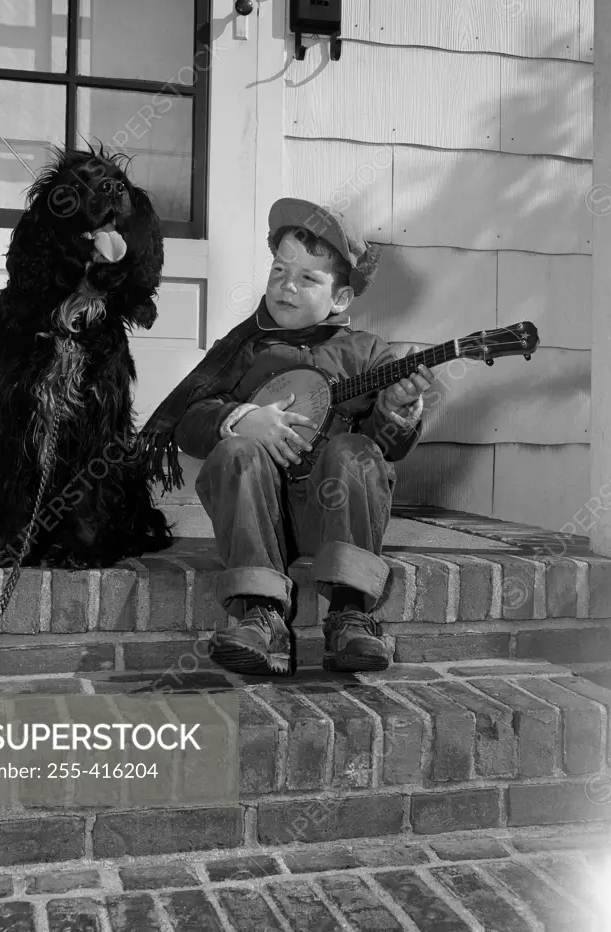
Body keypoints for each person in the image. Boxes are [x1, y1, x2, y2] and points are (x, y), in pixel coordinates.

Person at [141, 197, 433, 676]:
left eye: (307, 279)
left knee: (356, 452)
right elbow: (188, 421)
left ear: (340, 298)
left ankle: (349, 614)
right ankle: (262, 618)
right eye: (280, 271)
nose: (287, 287)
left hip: (330, 515)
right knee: (235, 451)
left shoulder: (367, 354)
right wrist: (239, 417)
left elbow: (390, 446)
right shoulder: (242, 349)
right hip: (256, 516)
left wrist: (397, 408)